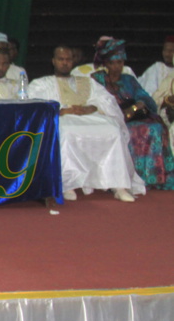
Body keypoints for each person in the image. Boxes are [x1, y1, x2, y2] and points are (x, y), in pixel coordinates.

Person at [27, 46, 143, 202]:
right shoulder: (41, 83)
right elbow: (36, 104)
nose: (65, 63)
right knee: (66, 131)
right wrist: (64, 111)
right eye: (61, 59)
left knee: (113, 130)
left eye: (68, 59)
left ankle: (118, 185)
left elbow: (106, 99)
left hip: (89, 116)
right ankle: (68, 184)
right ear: (53, 61)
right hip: (63, 118)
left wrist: (89, 107)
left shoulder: (87, 82)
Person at [90, 38, 174, 189]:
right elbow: (94, 101)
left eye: (120, 63)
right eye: (113, 63)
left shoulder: (129, 79)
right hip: (111, 118)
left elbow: (146, 99)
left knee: (156, 128)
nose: (117, 66)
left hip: (135, 116)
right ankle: (126, 178)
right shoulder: (98, 79)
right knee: (136, 130)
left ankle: (152, 178)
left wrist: (139, 105)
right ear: (106, 64)